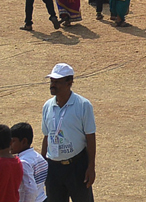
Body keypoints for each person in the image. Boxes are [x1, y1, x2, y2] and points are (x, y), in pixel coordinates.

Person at [40, 63, 96, 202]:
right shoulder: (47, 106)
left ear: (69, 82)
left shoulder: (83, 105)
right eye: (52, 81)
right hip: (53, 168)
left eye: (57, 81)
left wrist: (91, 167)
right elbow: (46, 137)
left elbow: (90, 138)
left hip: (77, 167)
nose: (53, 85)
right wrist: (42, 164)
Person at [12, 122, 48, 202]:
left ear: (24, 141)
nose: (10, 145)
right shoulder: (38, 156)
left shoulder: (23, 162)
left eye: (13, 141)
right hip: (42, 198)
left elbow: (31, 189)